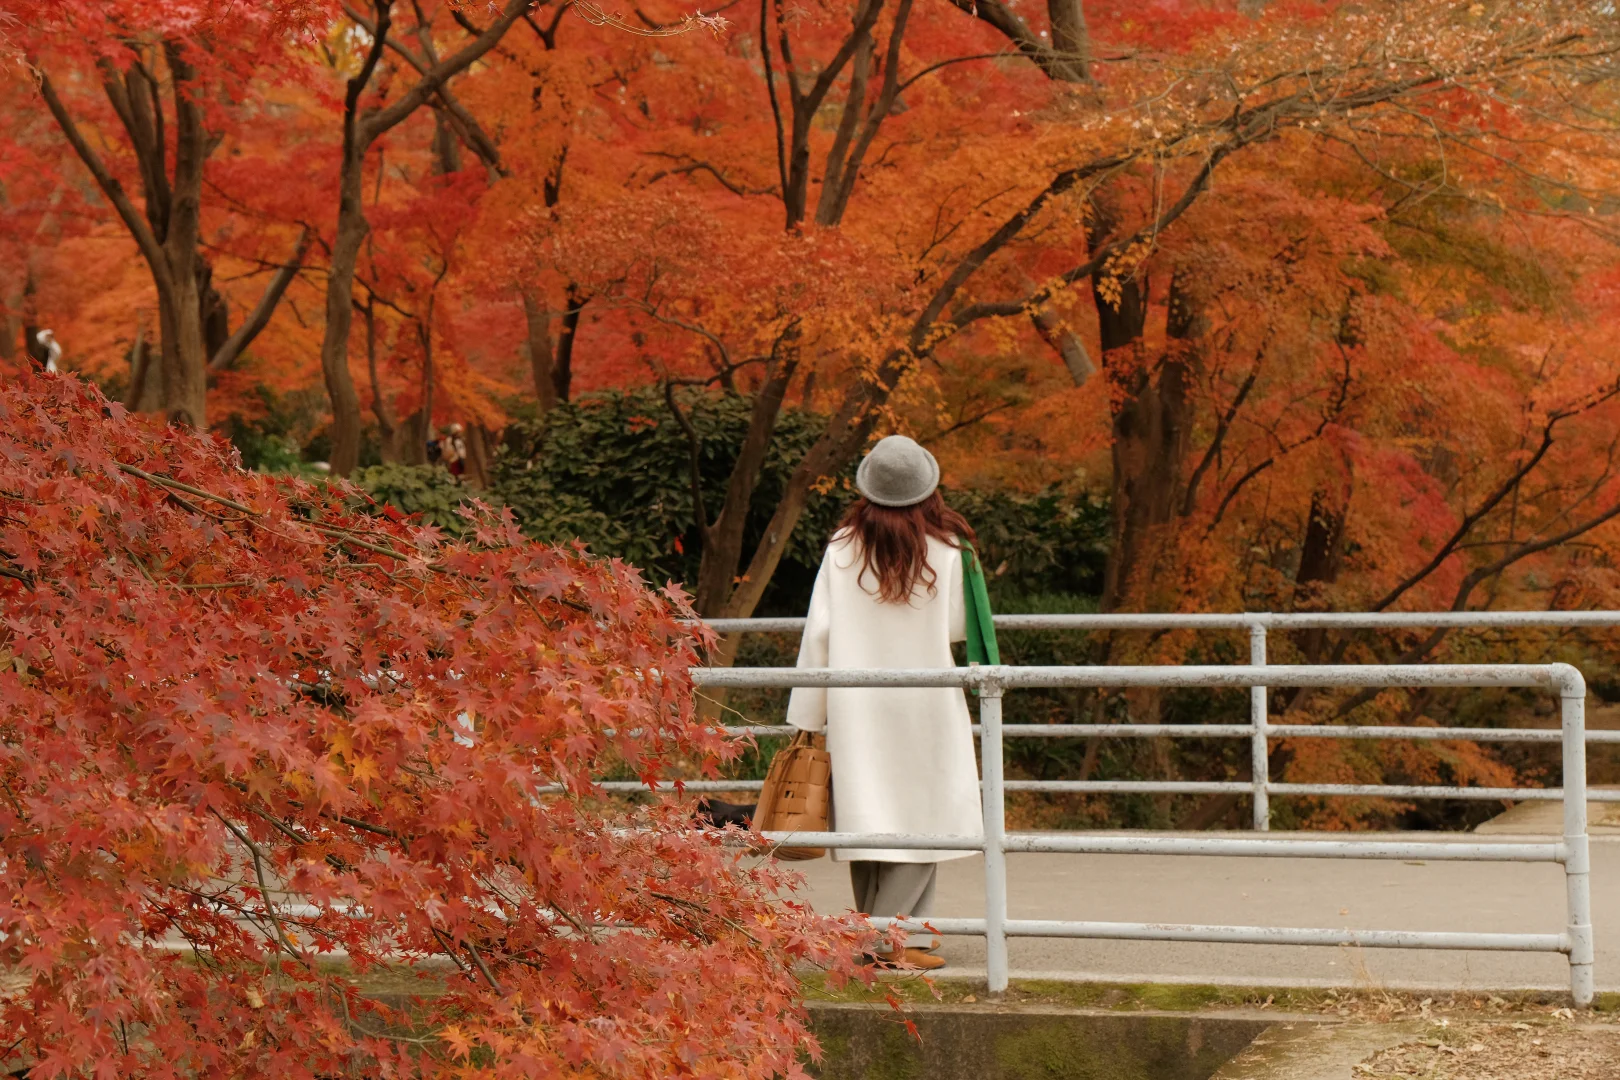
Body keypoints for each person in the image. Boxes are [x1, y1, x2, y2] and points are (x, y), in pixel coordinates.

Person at [785, 434, 984, 971]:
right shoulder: (948, 552)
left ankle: (901, 932)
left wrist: (807, 715)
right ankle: (883, 943)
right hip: (925, 700)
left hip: (858, 704)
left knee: (868, 817)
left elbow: (818, 635)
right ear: (928, 489)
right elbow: (960, 630)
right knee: (926, 816)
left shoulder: (841, 549)